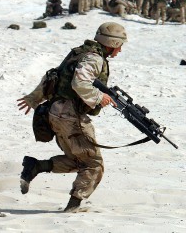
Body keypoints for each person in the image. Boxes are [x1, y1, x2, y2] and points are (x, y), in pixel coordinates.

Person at [17, 22, 128, 212]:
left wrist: (34, 98)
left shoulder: (79, 53)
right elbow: (79, 84)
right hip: (70, 116)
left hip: (55, 113)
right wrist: (100, 97)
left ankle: (35, 166)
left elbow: (54, 77)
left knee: (78, 161)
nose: (119, 51)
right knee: (93, 164)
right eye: (119, 46)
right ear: (111, 43)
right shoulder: (94, 59)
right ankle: (73, 206)